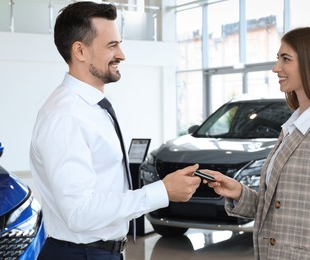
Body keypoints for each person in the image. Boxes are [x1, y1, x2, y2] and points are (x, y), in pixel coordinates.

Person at [29, 2, 201, 259]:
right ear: (80, 51)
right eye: (112, 45)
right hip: (80, 254)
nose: (122, 54)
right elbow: (80, 212)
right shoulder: (64, 116)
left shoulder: (93, 108)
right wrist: (161, 192)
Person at [202, 27, 310, 259]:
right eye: (278, 58)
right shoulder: (292, 126)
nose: (276, 68)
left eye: (285, 59)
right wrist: (237, 191)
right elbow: (275, 209)